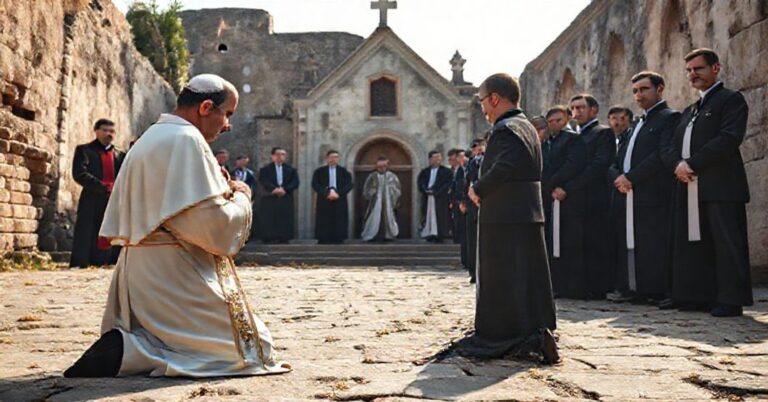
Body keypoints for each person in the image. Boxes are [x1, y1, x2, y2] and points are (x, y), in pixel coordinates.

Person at [64, 74, 290, 378]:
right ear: (206, 107)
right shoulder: (187, 140)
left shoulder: (151, 136)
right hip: (173, 273)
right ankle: (131, 351)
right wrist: (241, 196)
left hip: (140, 271)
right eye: (228, 114)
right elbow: (214, 229)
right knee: (252, 348)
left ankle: (129, 346)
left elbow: (175, 209)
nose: (228, 125)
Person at [462, 73, 557, 363]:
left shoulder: (506, 128)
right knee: (523, 277)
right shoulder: (525, 125)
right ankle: (529, 329)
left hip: (505, 215)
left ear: (494, 98)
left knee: (505, 278)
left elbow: (504, 166)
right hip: (524, 211)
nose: (483, 109)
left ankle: (506, 332)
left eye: (482, 102)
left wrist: (478, 188)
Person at [663, 48, 752, 317]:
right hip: (689, 184)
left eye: (698, 69)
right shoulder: (690, 110)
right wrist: (677, 165)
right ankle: (696, 295)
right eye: (689, 70)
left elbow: (728, 138)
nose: (693, 75)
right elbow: (670, 145)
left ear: (716, 68)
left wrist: (692, 163)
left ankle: (730, 299)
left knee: (726, 243)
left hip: (721, 185)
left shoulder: (731, 100)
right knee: (695, 244)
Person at [609, 71, 680, 304]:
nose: (638, 95)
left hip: (652, 192)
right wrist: (618, 176)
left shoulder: (669, 117)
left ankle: (655, 290)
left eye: (644, 89)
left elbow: (661, 155)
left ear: (659, 89)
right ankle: (634, 288)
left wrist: (632, 177)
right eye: (635, 91)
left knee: (653, 242)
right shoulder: (639, 122)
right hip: (628, 192)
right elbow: (619, 157)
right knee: (633, 242)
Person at [566, 94, 617, 300]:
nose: (576, 112)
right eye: (573, 109)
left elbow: (599, 164)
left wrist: (571, 186)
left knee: (596, 244)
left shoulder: (602, 133)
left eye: (581, 108)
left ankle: (598, 287)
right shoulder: (573, 136)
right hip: (575, 201)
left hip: (595, 198)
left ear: (594, 110)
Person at [542, 105, 588, 298]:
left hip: (568, 196)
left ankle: (573, 286)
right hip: (550, 196)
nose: (554, 125)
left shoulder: (573, 139)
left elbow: (573, 164)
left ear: (567, 119)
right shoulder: (547, 143)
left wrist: (556, 184)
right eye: (551, 122)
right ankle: (556, 284)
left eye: (558, 120)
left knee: (570, 242)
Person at [69, 119, 125, 268]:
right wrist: (102, 187)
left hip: (113, 199)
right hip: (92, 197)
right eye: (105, 130)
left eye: (112, 131)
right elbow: (79, 173)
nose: (109, 134)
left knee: (112, 229)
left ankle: (110, 261)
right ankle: (83, 262)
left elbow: (125, 176)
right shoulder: (84, 150)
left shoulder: (120, 155)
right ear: (96, 131)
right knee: (88, 229)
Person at [312, 150, 353, 244]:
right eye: (331, 157)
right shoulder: (319, 171)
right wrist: (327, 193)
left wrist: (338, 193)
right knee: (323, 219)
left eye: (335, 157)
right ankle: (323, 238)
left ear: (338, 159)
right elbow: (315, 184)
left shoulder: (344, 172)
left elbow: (349, 184)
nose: (333, 159)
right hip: (324, 198)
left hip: (340, 198)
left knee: (339, 218)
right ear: (327, 158)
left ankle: (339, 238)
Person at [259, 147, 299, 243]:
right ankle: (269, 238)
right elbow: (264, 180)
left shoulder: (291, 170)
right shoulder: (265, 169)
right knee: (270, 218)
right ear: (272, 156)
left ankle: (284, 238)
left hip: (285, 196)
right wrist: (274, 189)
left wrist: (284, 189)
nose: (280, 157)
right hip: (270, 197)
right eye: (277, 154)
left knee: (284, 218)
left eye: (283, 155)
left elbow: (295, 182)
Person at [361, 157, 401, 241]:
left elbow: (397, 188)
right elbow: (366, 189)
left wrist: (391, 190)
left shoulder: (392, 176)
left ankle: (389, 235)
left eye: (384, 166)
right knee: (374, 218)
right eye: (380, 166)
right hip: (375, 202)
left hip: (388, 201)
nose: (382, 168)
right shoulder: (372, 176)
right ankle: (371, 235)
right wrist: (372, 192)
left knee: (389, 217)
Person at [417, 151, 452, 242]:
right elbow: (421, 183)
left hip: (440, 198)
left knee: (440, 216)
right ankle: (429, 233)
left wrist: (436, 191)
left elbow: (447, 184)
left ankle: (440, 235)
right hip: (428, 197)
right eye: (435, 157)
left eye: (439, 158)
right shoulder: (425, 172)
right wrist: (426, 190)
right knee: (428, 215)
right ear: (430, 159)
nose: (438, 160)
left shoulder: (446, 171)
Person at [464, 138, 485, 284]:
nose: (478, 150)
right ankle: (473, 271)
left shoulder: (489, 160)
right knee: (472, 241)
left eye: (480, 147)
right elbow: (466, 182)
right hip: (472, 205)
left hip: (485, 202)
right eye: (475, 148)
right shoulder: (470, 164)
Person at [448, 149, 468, 269]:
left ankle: (466, 260)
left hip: (463, 203)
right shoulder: (458, 170)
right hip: (457, 202)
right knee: (460, 229)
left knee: (464, 232)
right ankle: (464, 259)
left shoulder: (465, 169)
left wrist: (462, 201)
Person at [232, 155, 259, 241]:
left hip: (247, 197)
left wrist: (251, 195)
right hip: (234, 198)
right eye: (241, 161)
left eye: (245, 161)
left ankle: (246, 237)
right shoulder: (232, 173)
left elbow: (254, 186)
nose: (242, 163)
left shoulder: (250, 174)